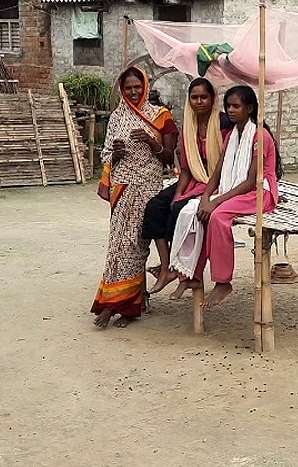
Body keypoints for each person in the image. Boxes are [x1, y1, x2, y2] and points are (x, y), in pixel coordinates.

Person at [91, 67, 178, 329]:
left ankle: (122, 306)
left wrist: (153, 142)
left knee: (135, 245)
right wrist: (115, 154)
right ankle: (129, 302)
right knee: (117, 245)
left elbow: (169, 157)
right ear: (122, 89)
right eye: (128, 88)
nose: (133, 92)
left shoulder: (161, 116)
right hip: (122, 186)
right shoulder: (117, 117)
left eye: (137, 87)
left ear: (145, 86)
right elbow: (105, 154)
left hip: (147, 186)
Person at [194, 85, 282, 308]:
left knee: (218, 216)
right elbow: (218, 171)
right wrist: (206, 196)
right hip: (237, 188)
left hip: (261, 192)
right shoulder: (233, 135)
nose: (230, 110)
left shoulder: (259, 136)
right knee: (193, 211)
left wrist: (217, 201)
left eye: (236, 106)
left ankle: (223, 281)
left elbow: (252, 181)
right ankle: (189, 273)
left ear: (249, 108)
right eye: (228, 106)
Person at [143, 78, 231, 298]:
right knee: (155, 206)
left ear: (212, 99)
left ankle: (182, 270)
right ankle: (166, 267)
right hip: (194, 180)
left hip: (218, 182)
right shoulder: (188, 127)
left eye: (204, 97)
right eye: (194, 97)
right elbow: (186, 168)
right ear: (189, 100)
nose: (199, 101)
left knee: (180, 211)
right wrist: (179, 192)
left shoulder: (223, 124)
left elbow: (225, 165)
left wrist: (188, 197)